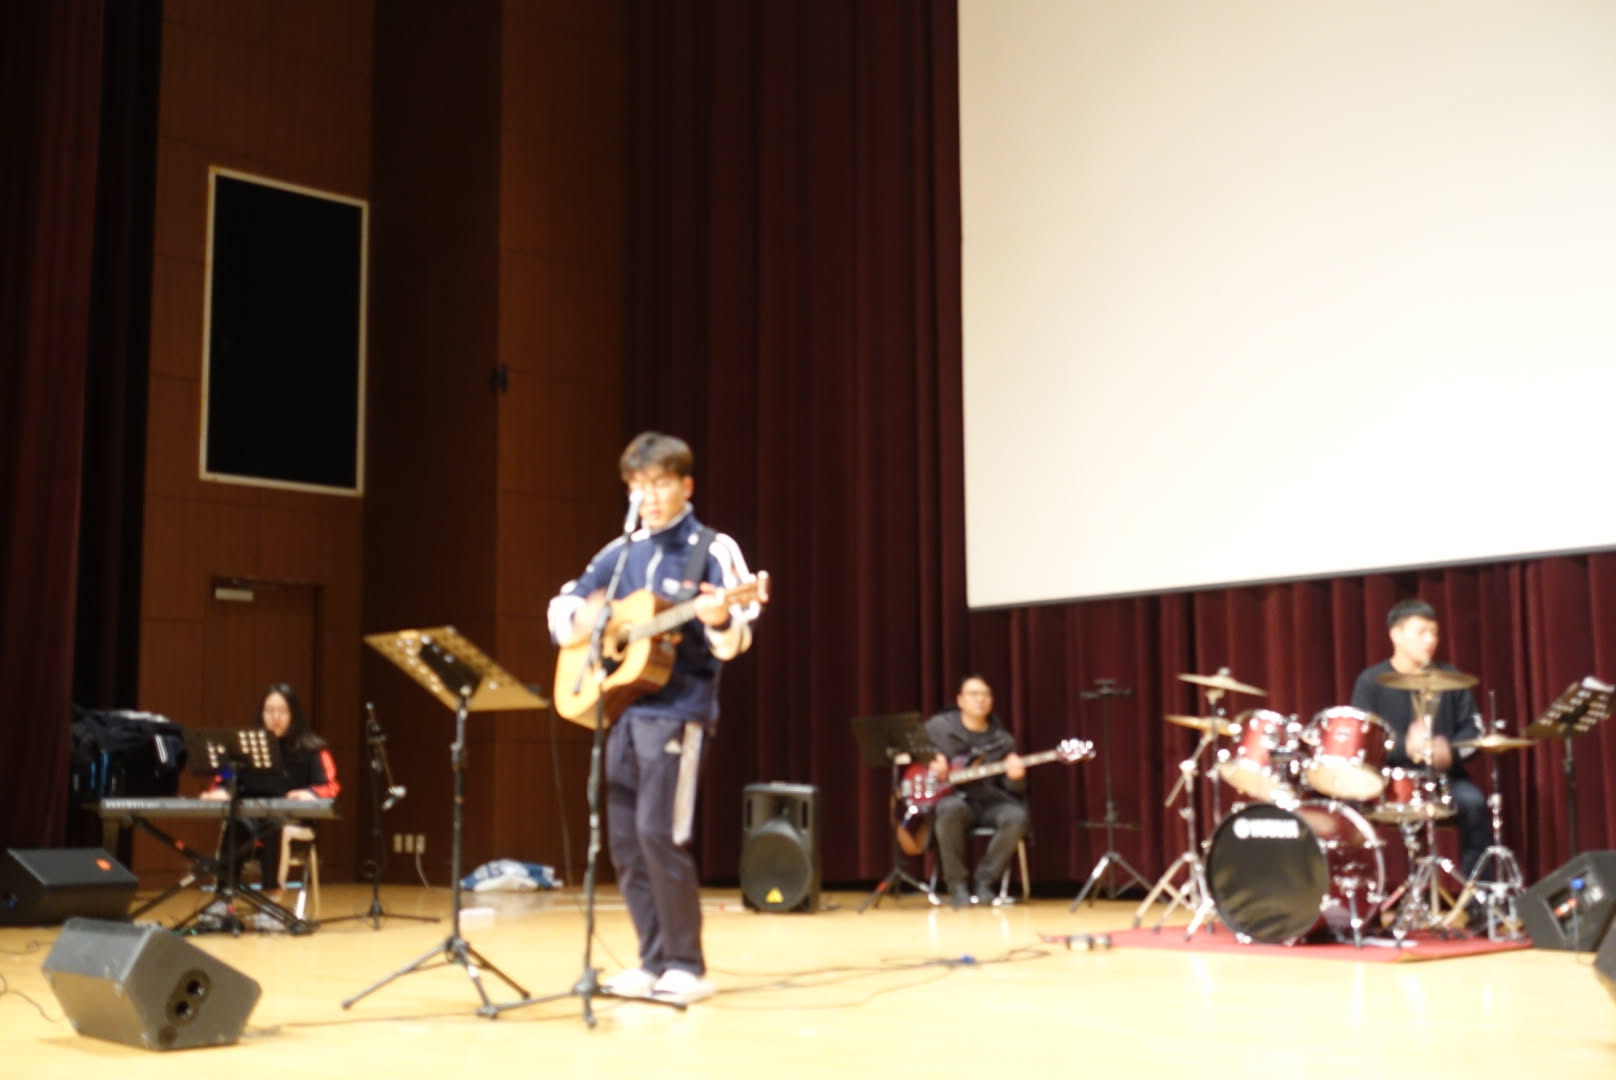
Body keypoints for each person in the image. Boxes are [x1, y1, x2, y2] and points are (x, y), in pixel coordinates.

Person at [548, 431, 763, 1007]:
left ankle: (686, 966)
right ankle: (651, 961)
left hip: (679, 711)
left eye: (660, 484)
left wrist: (719, 619)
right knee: (623, 840)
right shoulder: (620, 553)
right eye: (638, 487)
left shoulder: (712, 548)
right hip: (622, 710)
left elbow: (736, 638)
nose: (649, 497)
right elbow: (563, 609)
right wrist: (586, 619)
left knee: (658, 834)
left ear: (685, 486)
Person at [1349, 598, 1488, 886]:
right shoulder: (1371, 681)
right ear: (1396, 635)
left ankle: (1478, 897)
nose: (1430, 640)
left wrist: (1449, 751)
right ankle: (1364, 896)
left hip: (1444, 780)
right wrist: (1404, 748)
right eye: (1421, 632)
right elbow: (1362, 739)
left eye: (1434, 633)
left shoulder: (1451, 679)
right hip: (1388, 781)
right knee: (1347, 805)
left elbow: (1473, 732)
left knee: (1474, 803)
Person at [202, 683, 340, 889]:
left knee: (276, 828)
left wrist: (310, 793)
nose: (275, 717)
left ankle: (271, 899)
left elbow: (330, 786)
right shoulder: (246, 747)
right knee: (235, 826)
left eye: (282, 711)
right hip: (251, 819)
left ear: (293, 714)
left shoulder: (313, 749)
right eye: (269, 711)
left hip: (293, 823)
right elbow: (226, 777)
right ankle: (224, 897)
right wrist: (222, 790)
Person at [925, 675, 1029, 909]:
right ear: (960, 700)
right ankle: (957, 887)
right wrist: (931, 759)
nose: (980, 699)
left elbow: (1015, 790)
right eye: (974, 694)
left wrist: (1016, 777)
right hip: (955, 800)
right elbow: (914, 751)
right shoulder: (939, 728)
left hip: (990, 802)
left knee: (1017, 817)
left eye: (986, 695)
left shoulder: (1002, 740)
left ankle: (985, 882)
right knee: (949, 809)